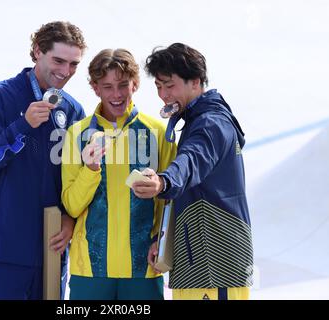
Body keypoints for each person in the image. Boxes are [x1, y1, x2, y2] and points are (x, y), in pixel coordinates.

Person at [0, 21, 87, 300]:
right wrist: (22, 126)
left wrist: (70, 219)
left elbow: (78, 177)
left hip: (52, 245)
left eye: (73, 64)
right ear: (37, 52)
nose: (65, 71)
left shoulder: (72, 109)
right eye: (58, 60)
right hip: (6, 242)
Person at [133, 43, 254, 300]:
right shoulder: (196, 121)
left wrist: (163, 182)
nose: (164, 94)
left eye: (170, 85)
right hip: (196, 261)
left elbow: (190, 161)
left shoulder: (211, 124)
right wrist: (164, 239)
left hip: (217, 265)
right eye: (158, 87)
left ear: (195, 82)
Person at [61, 49, 176, 300]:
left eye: (123, 85)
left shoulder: (157, 132)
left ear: (135, 84)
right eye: (107, 86)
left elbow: (171, 198)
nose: (116, 94)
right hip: (89, 271)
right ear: (95, 87)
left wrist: (162, 241)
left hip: (144, 269)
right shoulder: (76, 134)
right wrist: (90, 170)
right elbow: (71, 204)